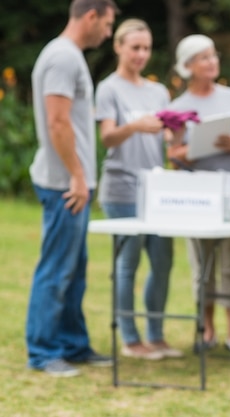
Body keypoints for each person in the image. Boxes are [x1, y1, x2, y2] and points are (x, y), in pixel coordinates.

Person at [26, 0, 119, 377]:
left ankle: (73, 346)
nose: (109, 32)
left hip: (72, 182)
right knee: (57, 268)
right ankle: (44, 352)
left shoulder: (69, 55)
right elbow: (58, 122)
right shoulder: (62, 58)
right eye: (109, 23)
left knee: (74, 268)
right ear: (91, 16)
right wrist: (77, 177)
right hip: (66, 186)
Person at [95, 18, 182, 361]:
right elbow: (107, 137)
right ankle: (130, 340)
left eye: (146, 48)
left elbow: (169, 137)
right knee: (127, 264)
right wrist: (134, 126)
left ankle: (156, 335)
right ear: (119, 47)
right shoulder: (109, 88)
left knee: (163, 262)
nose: (141, 54)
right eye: (135, 48)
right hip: (122, 189)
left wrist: (177, 135)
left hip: (156, 192)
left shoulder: (158, 92)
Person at [166, 34, 230, 356]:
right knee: (202, 265)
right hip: (198, 196)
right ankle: (206, 330)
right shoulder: (176, 108)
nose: (212, 61)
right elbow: (173, 154)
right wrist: (193, 148)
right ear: (188, 66)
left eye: (213, 55)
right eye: (204, 57)